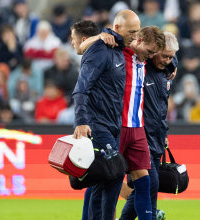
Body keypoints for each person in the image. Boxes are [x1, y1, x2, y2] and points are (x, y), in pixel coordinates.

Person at [81, 23, 166, 220]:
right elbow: (80, 48)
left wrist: (173, 64)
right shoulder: (119, 52)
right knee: (102, 180)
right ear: (139, 40)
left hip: (137, 128)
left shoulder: (146, 59)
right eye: (150, 51)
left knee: (146, 181)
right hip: (115, 127)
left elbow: (169, 50)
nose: (152, 56)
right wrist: (100, 36)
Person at [70, 17, 125, 220]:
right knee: (111, 174)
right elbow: (81, 90)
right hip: (98, 125)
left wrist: (172, 63)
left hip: (110, 124)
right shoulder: (100, 51)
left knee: (97, 182)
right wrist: (82, 121)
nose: (72, 43)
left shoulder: (109, 49)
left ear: (84, 38)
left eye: (73, 39)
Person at [120, 31, 178, 220]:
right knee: (149, 183)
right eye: (165, 56)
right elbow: (142, 40)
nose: (168, 60)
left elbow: (161, 108)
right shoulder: (143, 64)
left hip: (157, 135)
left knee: (145, 186)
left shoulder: (164, 72)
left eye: (172, 57)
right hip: (140, 134)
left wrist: (164, 132)